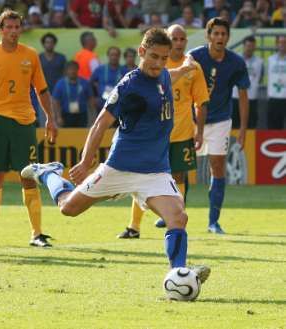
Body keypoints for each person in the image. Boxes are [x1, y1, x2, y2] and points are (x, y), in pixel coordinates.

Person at [21, 28, 210, 284]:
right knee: (68, 208)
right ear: (141, 52)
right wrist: (86, 161)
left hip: (155, 171)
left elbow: (171, 75)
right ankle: (48, 173)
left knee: (178, 216)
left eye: (164, 58)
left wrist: (186, 67)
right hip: (120, 168)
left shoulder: (163, 74)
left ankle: (179, 274)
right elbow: (101, 123)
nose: (158, 63)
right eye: (153, 57)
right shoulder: (130, 85)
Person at [0, 10, 58, 248]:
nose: (13, 31)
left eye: (16, 27)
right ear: (0, 30)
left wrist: (50, 118)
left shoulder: (30, 55)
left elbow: (41, 90)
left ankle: (37, 233)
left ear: (21, 29)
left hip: (23, 122)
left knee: (29, 178)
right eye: (8, 27)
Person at [117, 24, 209, 238]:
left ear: (186, 41)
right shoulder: (156, 64)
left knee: (178, 175)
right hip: (153, 133)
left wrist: (200, 131)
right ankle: (134, 226)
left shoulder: (193, 67)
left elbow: (201, 101)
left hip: (183, 131)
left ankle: (174, 220)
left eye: (181, 39)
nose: (178, 42)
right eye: (174, 38)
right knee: (141, 177)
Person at [189, 17, 250, 234]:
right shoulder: (194, 57)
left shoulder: (236, 62)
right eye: (216, 33)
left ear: (228, 37)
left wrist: (242, 130)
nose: (220, 38)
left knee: (217, 167)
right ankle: (172, 213)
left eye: (223, 34)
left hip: (221, 121)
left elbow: (243, 96)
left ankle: (213, 222)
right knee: (178, 168)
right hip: (192, 120)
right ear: (208, 36)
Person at [232, 36, 263, 129]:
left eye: (252, 46)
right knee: (234, 125)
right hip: (235, 97)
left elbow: (260, 77)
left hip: (251, 98)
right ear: (244, 46)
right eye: (248, 46)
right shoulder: (235, 60)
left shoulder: (260, 62)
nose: (250, 48)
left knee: (251, 124)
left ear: (255, 47)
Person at [52, 60, 94, 127]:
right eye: (70, 69)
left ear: (78, 70)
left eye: (74, 69)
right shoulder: (60, 84)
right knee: (67, 135)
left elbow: (91, 100)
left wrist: (93, 117)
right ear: (66, 71)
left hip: (82, 115)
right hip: (66, 115)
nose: (72, 71)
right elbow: (56, 101)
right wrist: (58, 117)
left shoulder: (85, 83)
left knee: (81, 135)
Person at [90, 46, 122, 112]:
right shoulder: (100, 69)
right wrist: (93, 98)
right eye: (112, 55)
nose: (114, 57)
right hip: (101, 105)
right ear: (108, 56)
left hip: (118, 106)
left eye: (116, 55)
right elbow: (90, 83)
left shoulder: (124, 70)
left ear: (119, 56)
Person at [267, 35, 286, 129]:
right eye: (280, 42)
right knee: (272, 127)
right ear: (276, 44)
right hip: (273, 97)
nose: (282, 45)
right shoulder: (270, 59)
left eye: (284, 42)